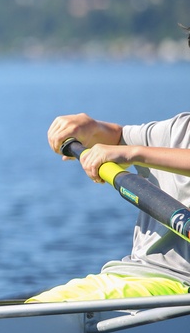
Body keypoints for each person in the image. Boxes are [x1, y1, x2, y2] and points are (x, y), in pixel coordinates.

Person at [28, 112, 190, 302]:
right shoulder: (181, 128)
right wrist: (92, 128)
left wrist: (132, 154)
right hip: (127, 272)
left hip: (179, 285)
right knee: (36, 305)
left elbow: (129, 150)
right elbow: (119, 137)